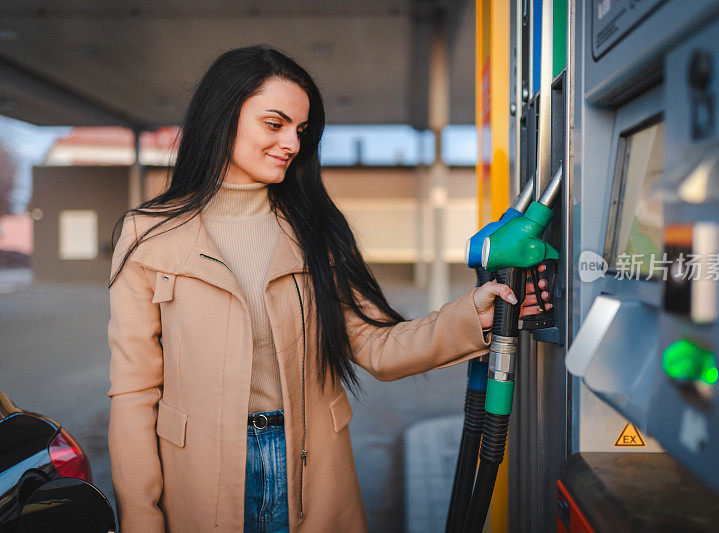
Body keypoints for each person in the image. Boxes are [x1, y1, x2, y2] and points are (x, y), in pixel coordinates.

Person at [106, 46, 550, 533]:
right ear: (222, 117)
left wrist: (473, 315)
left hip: (311, 470)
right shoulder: (149, 234)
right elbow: (133, 393)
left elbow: (375, 344)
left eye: (300, 130)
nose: (291, 143)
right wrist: (140, 517)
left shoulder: (313, 227)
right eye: (274, 125)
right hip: (197, 478)